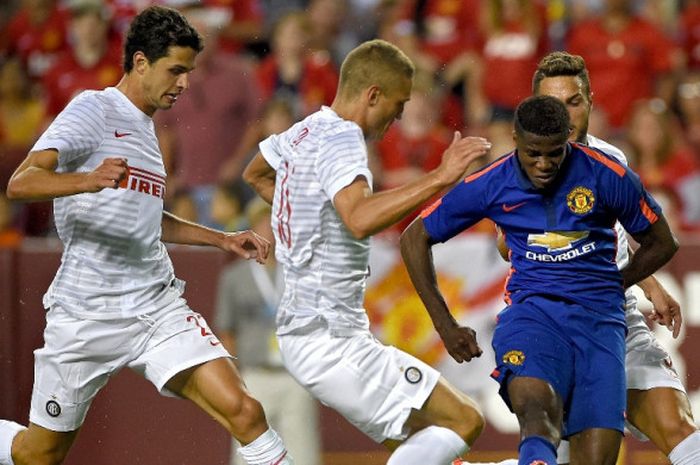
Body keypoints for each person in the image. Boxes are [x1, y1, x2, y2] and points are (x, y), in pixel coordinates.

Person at [0, 6, 294, 465]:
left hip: (153, 306)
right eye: (175, 70)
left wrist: (221, 239)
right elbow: (21, 182)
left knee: (246, 411)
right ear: (140, 62)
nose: (184, 84)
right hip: (84, 312)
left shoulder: (148, 133)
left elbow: (148, 219)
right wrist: (86, 179)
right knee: (38, 455)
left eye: (189, 72)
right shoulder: (94, 108)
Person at [243, 39, 493, 465]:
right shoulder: (343, 138)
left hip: (312, 335)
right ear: (372, 95)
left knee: (432, 450)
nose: (398, 117)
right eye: (397, 104)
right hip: (332, 340)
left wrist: (307, 212)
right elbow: (359, 218)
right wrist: (440, 176)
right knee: (464, 421)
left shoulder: (306, 129)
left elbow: (257, 173)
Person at [400, 95, 679, 465]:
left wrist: (617, 282)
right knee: (536, 411)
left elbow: (663, 242)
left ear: (569, 139)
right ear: (515, 139)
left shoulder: (606, 175)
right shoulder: (492, 182)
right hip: (533, 317)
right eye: (533, 154)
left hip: (601, 325)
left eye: (554, 153)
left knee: (596, 457)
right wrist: (445, 324)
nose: (544, 164)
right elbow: (414, 237)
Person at [454, 51, 700, 465]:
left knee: (678, 428)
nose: (565, 115)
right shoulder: (525, 168)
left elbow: (620, 237)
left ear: (591, 101)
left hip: (617, 321)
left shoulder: (613, 160)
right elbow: (506, 244)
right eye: (553, 104)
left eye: (574, 102)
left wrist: (649, 283)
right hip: (554, 324)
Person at [214, 199, 321, 465]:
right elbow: (226, 330)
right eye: (263, 222)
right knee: (250, 452)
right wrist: (236, 380)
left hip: (295, 375)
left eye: (274, 222)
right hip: (255, 374)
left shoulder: (299, 275)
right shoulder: (235, 277)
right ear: (251, 229)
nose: (269, 229)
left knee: (303, 450)